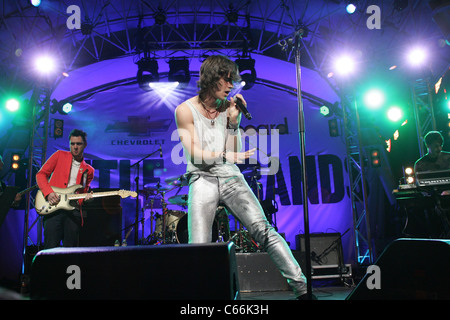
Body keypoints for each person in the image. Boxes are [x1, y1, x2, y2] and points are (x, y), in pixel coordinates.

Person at [174, 55, 311, 299]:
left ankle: (303, 290)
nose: (230, 85)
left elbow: (233, 149)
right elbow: (195, 154)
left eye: (232, 81)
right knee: (199, 245)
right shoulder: (185, 110)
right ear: (210, 79)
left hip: (230, 176)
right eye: (226, 80)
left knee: (264, 230)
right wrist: (226, 154)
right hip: (201, 178)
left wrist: (233, 122)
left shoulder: (228, 107)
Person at [36, 129, 95, 249]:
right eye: (72, 144)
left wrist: (86, 199)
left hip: (73, 211)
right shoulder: (59, 155)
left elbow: (83, 193)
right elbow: (40, 175)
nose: (75, 147)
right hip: (54, 208)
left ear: (85, 145)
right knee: (50, 248)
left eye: (78, 144)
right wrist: (49, 193)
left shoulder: (89, 170)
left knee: (70, 250)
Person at [411, 131, 450, 238]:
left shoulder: (448, 158)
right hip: (434, 200)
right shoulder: (420, 164)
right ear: (428, 145)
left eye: (441, 145)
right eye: (436, 146)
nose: (439, 149)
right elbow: (421, 187)